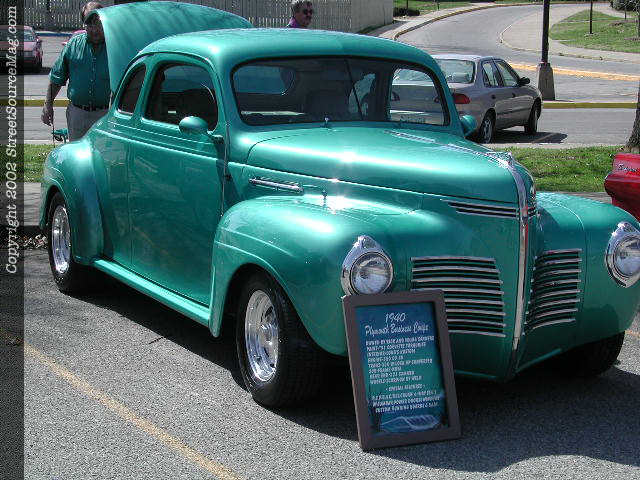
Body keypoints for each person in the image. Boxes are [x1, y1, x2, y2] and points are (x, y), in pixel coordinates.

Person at [41, 2, 109, 141]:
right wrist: (48, 105)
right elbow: (56, 78)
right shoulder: (73, 45)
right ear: (83, 25)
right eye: (89, 24)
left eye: (98, 24)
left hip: (105, 115)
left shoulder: (114, 46)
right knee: (77, 153)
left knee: (101, 153)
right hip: (77, 114)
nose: (94, 30)